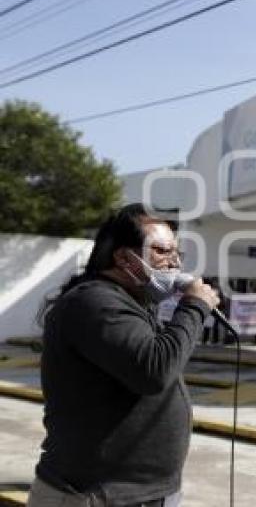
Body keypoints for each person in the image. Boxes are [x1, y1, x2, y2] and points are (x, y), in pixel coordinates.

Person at [30, 203, 219, 506]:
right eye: (160, 250)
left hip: (142, 494)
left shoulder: (133, 304)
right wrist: (195, 306)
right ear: (123, 257)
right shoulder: (94, 302)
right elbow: (154, 370)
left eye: (176, 253)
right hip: (97, 495)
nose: (173, 263)